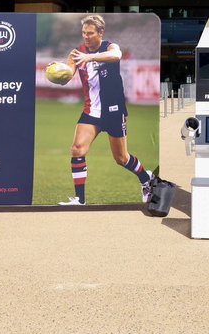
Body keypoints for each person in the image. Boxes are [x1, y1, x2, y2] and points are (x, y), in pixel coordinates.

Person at [58, 14, 152, 206]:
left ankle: (145, 178)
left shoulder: (110, 47)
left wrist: (90, 57)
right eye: (84, 33)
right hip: (91, 111)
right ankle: (80, 200)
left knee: (121, 158)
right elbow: (67, 75)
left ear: (101, 33)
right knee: (77, 149)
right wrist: (57, 71)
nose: (86, 36)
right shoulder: (76, 53)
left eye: (90, 33)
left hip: (114, 112)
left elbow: (117, 56)